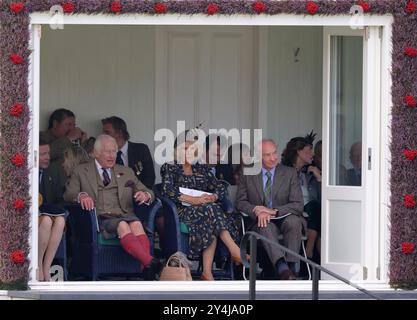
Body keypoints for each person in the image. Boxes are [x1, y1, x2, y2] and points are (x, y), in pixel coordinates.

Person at [63, 135, 160, 280]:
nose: (112, 156)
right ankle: (150, 263)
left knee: (137, 224)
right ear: (96, 153)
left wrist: (145, 195)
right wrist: (82, 196)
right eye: (107, 152)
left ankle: (147, 266)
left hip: (125, 214)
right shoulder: (81, 171)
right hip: (100, 218)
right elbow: (69, 194)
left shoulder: (126, 171)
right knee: (123, 225)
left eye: (114, 152)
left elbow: (149, 191)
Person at [160, 133, 243, 281]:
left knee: (210, 218)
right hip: (181, 211)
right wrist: (194, 200)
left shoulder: (201, 169)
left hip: (203, 211)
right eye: (185, 148)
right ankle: (234, 249)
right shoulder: (170, 167)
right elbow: (168, 191)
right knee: (211, 210)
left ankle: (207, 273)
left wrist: (214, 196)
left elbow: (220, 187)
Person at [236, 139, 303, 280]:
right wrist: (256, 209)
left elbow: (297, 204)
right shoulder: (247, 173)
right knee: (265, 225)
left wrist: (274, 211)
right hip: (260, 222)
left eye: (274, 153)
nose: (273, 158)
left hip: (284, 216)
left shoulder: (290, 173)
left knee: (294, 222)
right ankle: (282, 269)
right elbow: (240, 202)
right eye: (267, 155)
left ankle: (291, 266)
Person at [281, 134, 321, 260]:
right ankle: (309, 249)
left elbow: (324, 198)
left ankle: (317, 266)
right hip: (295, 211)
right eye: (309, 151)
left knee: (321, 214)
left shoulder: (309, 173)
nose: (312, 154)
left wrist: (319, 178)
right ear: (299, 152)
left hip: (312, 214)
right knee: (315, 207)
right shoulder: (284, 172)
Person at [38, 137, 67, 281]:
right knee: (47, 222)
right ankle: (37, 265)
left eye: (48, 154)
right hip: (33, 217)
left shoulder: (54, 171)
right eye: (43, 154)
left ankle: (46, 267)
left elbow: (59, 198)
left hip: (48, 213)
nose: (47, 158)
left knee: (60, 221)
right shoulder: (24, 171)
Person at [102, 116, 155, 189]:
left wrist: (140, 194)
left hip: (139, 195)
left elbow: (150, 178)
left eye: (107, 132)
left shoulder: (141, 150)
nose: (103, 136)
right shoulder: (103, 154)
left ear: (119, 133)